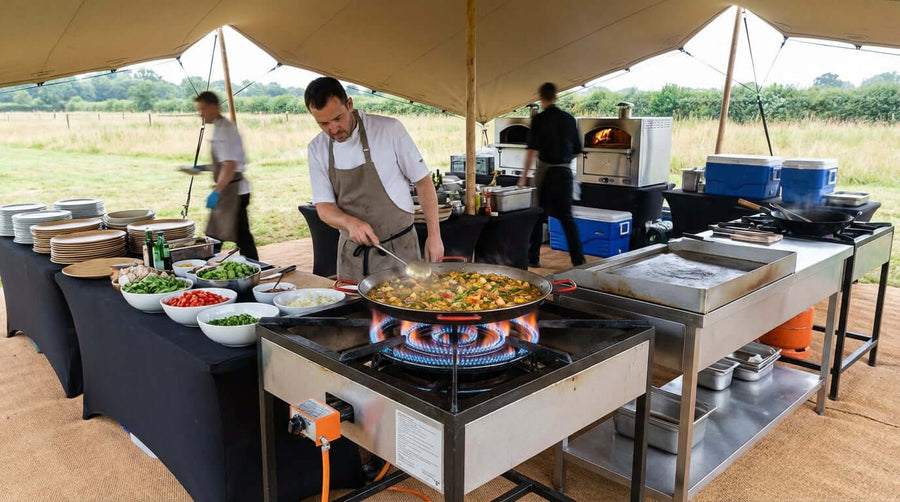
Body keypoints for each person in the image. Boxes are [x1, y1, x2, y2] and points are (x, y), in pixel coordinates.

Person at [305, 77, 443, 281]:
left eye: (338, 118)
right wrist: (349, 222)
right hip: (352, 256)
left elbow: (423, 182)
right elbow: (324, 207)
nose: (333, 129)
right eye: (323, 123)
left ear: (349, 104)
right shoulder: (317, 149)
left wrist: (434, 236)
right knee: (353, 312)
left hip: (399, 250)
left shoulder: (389, 130)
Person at [518, 82, 585, 267]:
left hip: (545, 174)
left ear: (541, 98)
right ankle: (579, 261)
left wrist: (524, 177)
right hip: (564, 173)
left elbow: (531, 151)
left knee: (538, 216)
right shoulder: (569, 119)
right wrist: (563, 160)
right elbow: (578, 150)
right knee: (567, 218)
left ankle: (533, 259)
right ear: (556, 97)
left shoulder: (539, 119)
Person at [188, 91, 258, 260]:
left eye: (203, 109)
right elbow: (222, 163)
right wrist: (202, 168)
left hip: (233, 191)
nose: (200, 114)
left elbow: (230, 165)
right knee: (231, 234)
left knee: (226, 235)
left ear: (214, 108)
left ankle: (252, 267)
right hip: (230, 189)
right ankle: (248, 265)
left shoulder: (225, 129)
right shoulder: (219, 127)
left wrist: (216, 192)